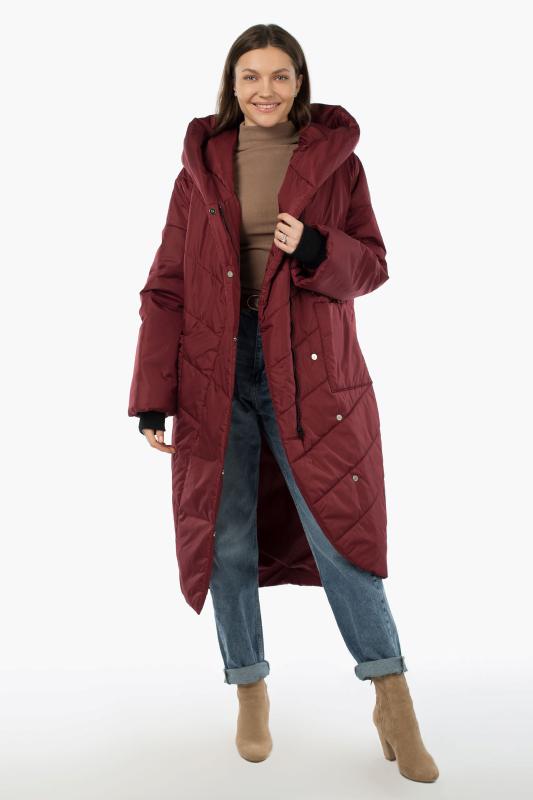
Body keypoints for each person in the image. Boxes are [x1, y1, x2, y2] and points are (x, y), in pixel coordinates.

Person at [128, 23, 439, 783]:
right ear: (231, 86)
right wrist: (153, 397)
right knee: (226, 537)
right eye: (250, 77)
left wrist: (317, 248)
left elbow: (372, 267)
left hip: (312, 377)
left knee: (341, 538)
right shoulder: (198, 172)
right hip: (215, 374)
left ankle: (391, 696)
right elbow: (166, 286)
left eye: (278, 76)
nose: (263, 90)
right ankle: (249, 690)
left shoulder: (336, 164)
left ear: (299, 82)